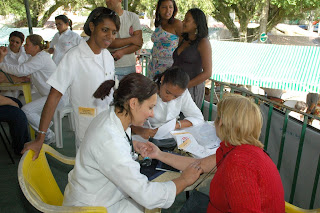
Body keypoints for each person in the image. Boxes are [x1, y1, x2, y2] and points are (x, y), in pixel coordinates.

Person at [63, 73, 203, 213]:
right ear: (133, 103)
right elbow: (147, 195)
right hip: (93, 207)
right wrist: (184, 180)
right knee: (151, 204)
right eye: (150, 107)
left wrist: (133, 143)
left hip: (101, 195)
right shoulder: (110, 141)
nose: (152, 114)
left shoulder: (111, 117)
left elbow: (115, 144)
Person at [143, 94, 285, 212]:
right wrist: (159, 154)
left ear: (221, 122)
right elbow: (197, 164)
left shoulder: (239, 163)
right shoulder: (237, 149)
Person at [21, 7, 120, 160]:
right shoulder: (74, 57)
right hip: (87, 129)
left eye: (114, 32)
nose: (110, 36)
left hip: (109, 126)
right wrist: (40, 137)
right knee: (89, 173)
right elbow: (54, 96)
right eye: (105, 30)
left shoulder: (107, 56)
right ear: (92, 27)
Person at [0, 34, 62, 144]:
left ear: (36, 47)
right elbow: (24, 70)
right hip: (46, 93)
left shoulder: (41, 58)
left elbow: (20, 70)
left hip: (56, 96)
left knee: (26, 110)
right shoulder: (34, 57)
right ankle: (44, 124)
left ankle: (48, 135)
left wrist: (1, 64)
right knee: (21, 103)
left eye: (27, 44)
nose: (24, 46)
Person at [132, 66, 204, 139]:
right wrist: (141, 131)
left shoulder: (183, 93)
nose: (169, 98)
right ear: (162, 80)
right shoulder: (146, 91)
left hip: (171, 135)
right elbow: (128, 119)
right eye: (167, 92)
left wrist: (175, 125)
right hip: (145, 134)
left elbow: (198, 118)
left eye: (176, 97)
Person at [172, 8, 212, 108]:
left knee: (188, 120)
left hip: (191, 88)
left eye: (187, 20)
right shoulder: (183, 39)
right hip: (176, 85)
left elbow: (207, 72)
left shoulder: (203, 42)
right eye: (184, 19)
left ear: (196, 24)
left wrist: (186, 86)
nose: (183, 22)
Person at [105, 0, 143, 80]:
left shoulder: (133, 17)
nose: (107, 0)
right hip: (109, 67)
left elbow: (139, 43)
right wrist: (132, 39)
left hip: (130, 67)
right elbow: (109, 43)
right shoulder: (104, 18)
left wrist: (122, 52)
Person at [147, 0, 182, 79]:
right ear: (158, 9)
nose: (168, 10)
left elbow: (185, 44)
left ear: (174, 9)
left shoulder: (177, 24)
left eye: (170, 7)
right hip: (153, 66)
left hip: (168, 68)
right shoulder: (159, 24)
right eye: (164, 7)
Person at [0, 31, 30, 96]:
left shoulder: (27, 52)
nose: (14, 44)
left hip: (26, 86)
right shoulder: (2, 52)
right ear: (9, 40)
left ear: (21, 43)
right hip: (8, 87)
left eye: (17, 42)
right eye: (12, 41)